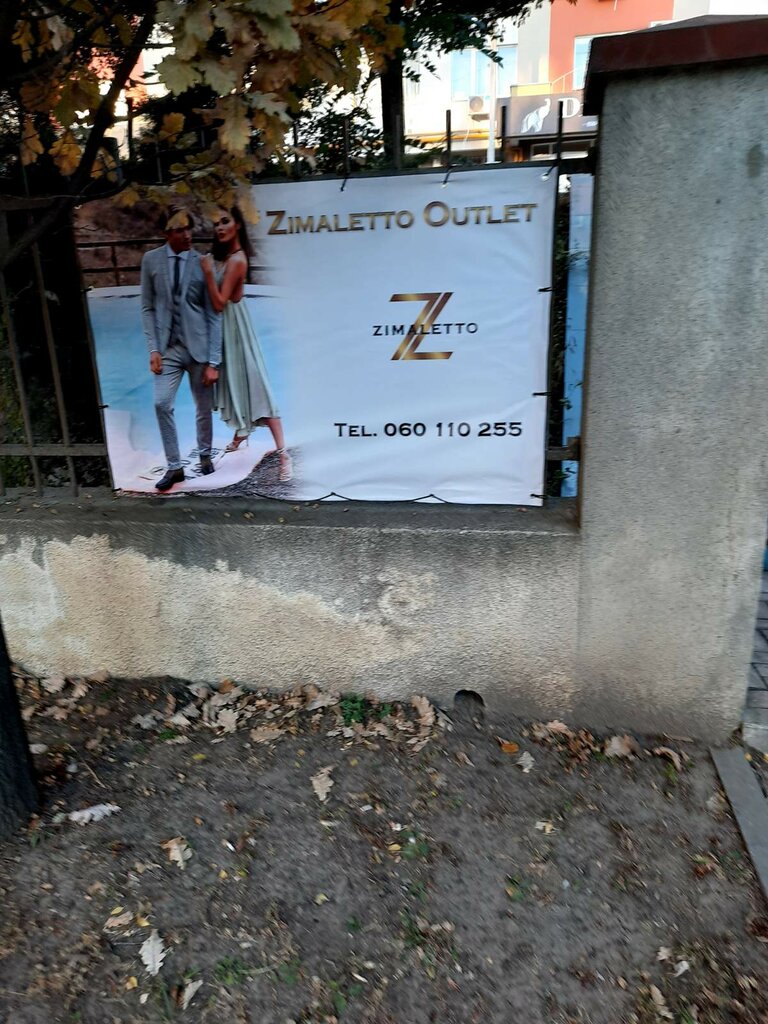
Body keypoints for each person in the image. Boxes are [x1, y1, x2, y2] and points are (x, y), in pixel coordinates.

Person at [200, 206, 292, 483]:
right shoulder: (224, 258)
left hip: (236, 328)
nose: (219, 227)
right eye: (216, 223)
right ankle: (241, 435)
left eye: (225, 221)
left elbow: (220, 303)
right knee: (234, 384)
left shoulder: (238, 260)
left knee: (255, 384)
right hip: (223, 330)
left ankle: (284, 454)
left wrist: (207, 273)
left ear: (238, 224)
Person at [140, 208, 222, 492]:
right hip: (169, 349)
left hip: (198, 348)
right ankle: (175, 466)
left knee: (203, 406)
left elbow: (214, 314)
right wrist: (154, 349)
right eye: (180, 230)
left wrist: (214, 361)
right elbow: (147, 307)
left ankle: (205, 454)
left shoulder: (202, 262)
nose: (187, 235)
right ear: (167, 233)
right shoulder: (151, 260)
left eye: (189, 228)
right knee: (161, 403)